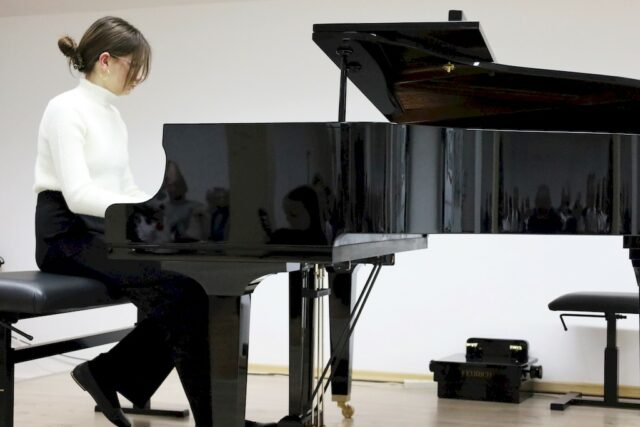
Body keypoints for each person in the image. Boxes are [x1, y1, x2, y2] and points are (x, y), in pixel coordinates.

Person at [33, 16, 274, 427]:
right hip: (66, 236)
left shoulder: (113, 117)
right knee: (182, 289)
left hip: (104, 230)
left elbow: (124, 187)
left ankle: (112, 374)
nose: (139, 78)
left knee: (196, 284)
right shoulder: (64, 109)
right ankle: (120, 379)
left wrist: (157, 216)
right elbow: (78, 195)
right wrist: (141, 215)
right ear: (105, 61)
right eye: (134, 67)